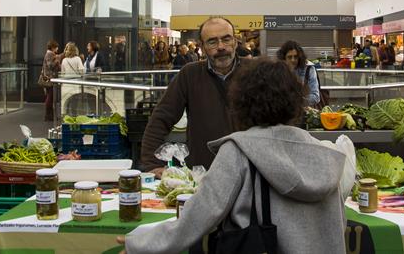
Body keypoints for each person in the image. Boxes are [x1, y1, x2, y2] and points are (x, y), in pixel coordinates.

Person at [121, 59, 355, 254]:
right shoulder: (325, 154)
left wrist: (140, 244)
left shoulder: (239, 151)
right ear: (295, 101)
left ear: (242, 101)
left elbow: (198, 217)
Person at [141, 17, 248, 172]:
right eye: (212, 42)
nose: (221, 47)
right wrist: (152, 164)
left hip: (249, 172)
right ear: (202, 48)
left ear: (235, 42)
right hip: (203, 174)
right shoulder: (189, 75)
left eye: (226, 39)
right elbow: (162, 117)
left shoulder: (255, 72)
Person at [277, 40, 320, 107]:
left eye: (295, 57)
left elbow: (315, 97)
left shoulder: (309, 69)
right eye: (289, 57)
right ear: (284, 58)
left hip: (304, 111)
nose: (293, 60)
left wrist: (297, 101)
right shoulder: (278, 70)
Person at [42, 40, 61, 121]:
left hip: (48, 78)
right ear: (53, 47)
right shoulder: (50, 54)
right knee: (50, 97)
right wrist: (57, 60)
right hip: (50, 79)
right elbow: (50, 65)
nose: (57, 49)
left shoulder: (49, 53)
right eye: (56, 47)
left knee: (50, 96)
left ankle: (50, 115)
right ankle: (48, 115)